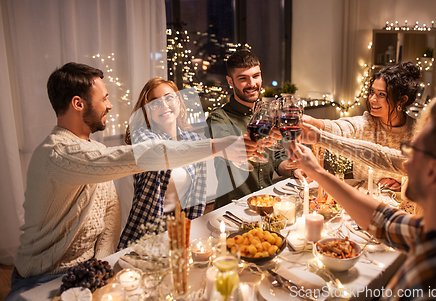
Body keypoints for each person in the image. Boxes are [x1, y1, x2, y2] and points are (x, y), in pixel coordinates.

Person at [6, 62, 252, 300]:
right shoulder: (58, 153)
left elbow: (110, 214)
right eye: (103, 98)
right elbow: (147, 155)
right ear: (78, 103)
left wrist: (101, 266)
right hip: (43, 278)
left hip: (87, 273)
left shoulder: (93, 148)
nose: (110, 105)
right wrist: (220, 145)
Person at [291, 93, 436, 300]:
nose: (405, 163)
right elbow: (384, 221)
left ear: (433, 170)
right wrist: (317, 171)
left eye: (411, 151)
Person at [118, 78, 207, 249]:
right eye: (155, 103)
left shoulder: (194, 139)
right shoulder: (143, 137)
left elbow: (198, 196)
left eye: (169, 98)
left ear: (179, 102)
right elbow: (160, 152)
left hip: (182, 223)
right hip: (148, 227)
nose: (164, 105)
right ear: (147, 111)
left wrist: (194, 227)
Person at [302, 61, 420, 190]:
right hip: (360, 201)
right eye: (372, 92)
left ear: (402, 100)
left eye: (382, 94)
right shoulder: (366, 123)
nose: (372, 99)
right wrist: (313, 122)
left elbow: (425, 179)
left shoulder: (418, 133)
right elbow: (341, 128)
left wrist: (403, 185)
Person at [206, 49, 298, 208]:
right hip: (233, 209)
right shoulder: (219, 118)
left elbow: (278, 158)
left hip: (267, 204)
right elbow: (230, 149)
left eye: (256, 76)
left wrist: (293, 170)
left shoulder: (268, 115)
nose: (252, 84)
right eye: (243, 79)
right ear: (230, 81)